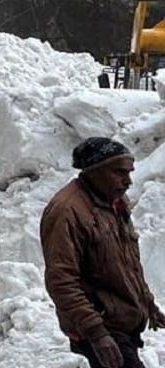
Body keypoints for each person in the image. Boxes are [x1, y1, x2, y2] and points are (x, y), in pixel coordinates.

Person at [41, 137, 165, 368]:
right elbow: (61, 280)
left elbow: (126, 262)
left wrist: (147, 303)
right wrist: (97, 333)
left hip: (120, 321)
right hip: (101, 326)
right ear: (94, 171)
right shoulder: (67, 211)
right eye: (118, 172)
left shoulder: (114, 202)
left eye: (129, 173)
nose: (128, 181)